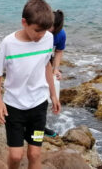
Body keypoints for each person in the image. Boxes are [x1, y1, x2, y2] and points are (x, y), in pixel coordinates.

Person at [0, 0, 61, 169]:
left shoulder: (48, 38)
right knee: (16, 156)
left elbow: (46, 65)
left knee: (35, 153)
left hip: (38, 106)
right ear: (24, 22)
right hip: (14, 107)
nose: (41, 35)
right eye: (37, 30)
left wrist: (53, 94)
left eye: (44, 31)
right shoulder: (9, 43)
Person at [44, 9, 66, 138]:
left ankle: (40, 129)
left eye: (51, 27)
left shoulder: (60, 34)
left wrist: (55, 69)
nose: (48, 29)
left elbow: (58, 51)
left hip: (46, 60)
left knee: (45, 95)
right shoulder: (39, 29)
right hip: (32, 60)